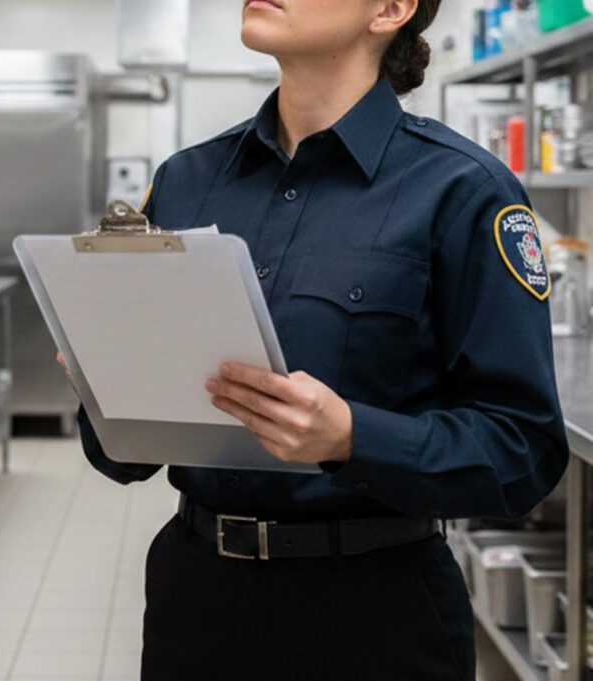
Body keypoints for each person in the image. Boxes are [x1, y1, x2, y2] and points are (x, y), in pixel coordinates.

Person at [63, 1, 570, 679]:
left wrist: (352, 436)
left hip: (373, 615)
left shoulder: (462, 191)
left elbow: (523, 450)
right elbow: (121, 459)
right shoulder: (187, 183)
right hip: (195, 600)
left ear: (390, 9)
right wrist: (108, 391)